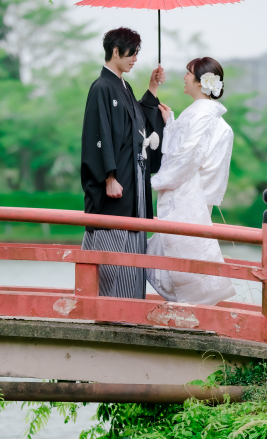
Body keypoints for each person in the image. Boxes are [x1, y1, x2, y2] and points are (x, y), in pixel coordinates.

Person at [81, 28, 166, 298]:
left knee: (133, 242)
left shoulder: (123, 86)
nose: (136, 59)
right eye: (132, 53)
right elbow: (98, 133)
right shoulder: (101, 87)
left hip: (134, 181)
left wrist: (152, 89)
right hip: (116, 183)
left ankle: (130, 309)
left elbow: (136, 124)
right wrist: (109, 176)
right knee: (113, 243)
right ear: (115, 51)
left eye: (137, 53)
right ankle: (109, 311)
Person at [146, 57, 236, 307]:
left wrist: (157, 180)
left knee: (179, 248)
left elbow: (188, 155)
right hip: (196, 192)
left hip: (187, 192)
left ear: (200, 81)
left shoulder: (202, 114)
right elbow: (189, 149)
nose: (184, 77)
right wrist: (171, 123)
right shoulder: (207, 114)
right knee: (185, 249)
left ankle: (190, 306)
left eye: (188, 73)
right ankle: (194, 306)